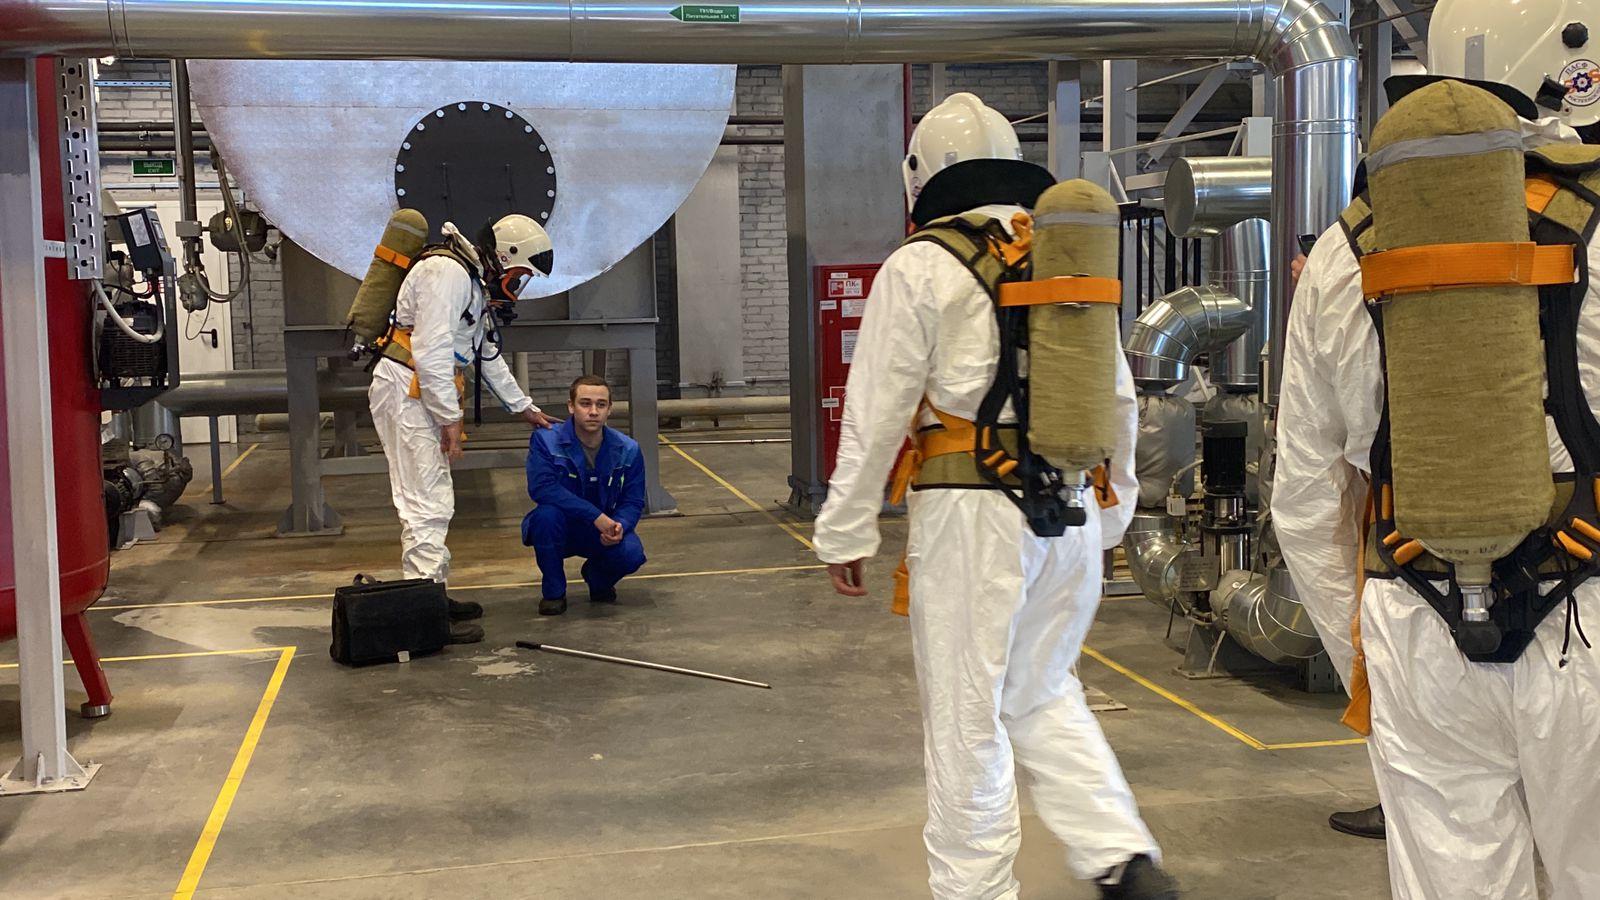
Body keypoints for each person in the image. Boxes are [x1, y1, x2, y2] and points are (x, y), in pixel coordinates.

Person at [812, 92, 1176, 900]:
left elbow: (875, 412)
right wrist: (1109, 517)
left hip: (971, 518)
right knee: (1042, 691)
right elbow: (1117, 399)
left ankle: (975, 891)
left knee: (966, 721)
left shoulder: (921, 264)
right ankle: (1122, 856)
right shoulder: (1061, 254)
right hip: (1070, 511)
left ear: (919, 176)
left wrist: (845, 531)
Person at [1273, 2, 1600, 895]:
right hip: (1586, 614)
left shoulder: (1344, 247)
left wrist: (1369, 659)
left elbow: (1304, 498)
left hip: (1416, 618)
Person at [369, 213, 558, 644]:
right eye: (519, 276)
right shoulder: (447, 273)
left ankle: (431, 594)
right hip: (407, 391)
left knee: (434, 500)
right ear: (504, 258)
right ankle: (423, 616)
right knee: (425, 504)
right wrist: (449, 418)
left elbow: (485, 353)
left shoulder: (470, 281)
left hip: (419, 392)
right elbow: (431, 349)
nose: (517, 287)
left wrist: (523, 408)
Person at [522, 374, 647, 616]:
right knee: (545, 518)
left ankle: (597, 579)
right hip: (561, 528)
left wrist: (619, 526)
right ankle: (554, 593)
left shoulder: (628, 449)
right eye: (585, 403)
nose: (593, 412)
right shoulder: (546, 440)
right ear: (571, 406)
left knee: (631, 554)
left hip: (602, 531)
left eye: (601, 405)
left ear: (609, 409)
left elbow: (633, 500)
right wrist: (595, 517)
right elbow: (542, 488)